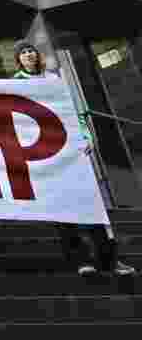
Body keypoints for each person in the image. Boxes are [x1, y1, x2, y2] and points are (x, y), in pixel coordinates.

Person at [12, 41, 134, 279]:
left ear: (37, 55)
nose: (28, 55)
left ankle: (109, 259)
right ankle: (81, 260)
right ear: (19, 60)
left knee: (91, 204)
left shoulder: (54, 79)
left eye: (30, 51)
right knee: (63, 209)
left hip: (69, 149)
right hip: (42, 153)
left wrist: (86, 135)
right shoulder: (14, 83)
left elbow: (72, 111)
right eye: (23, 53)